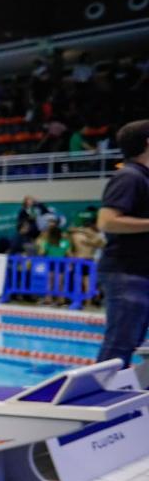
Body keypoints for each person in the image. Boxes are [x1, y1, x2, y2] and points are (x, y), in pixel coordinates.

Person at [96, 121, 149, 365]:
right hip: (126, 273)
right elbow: (107, 221)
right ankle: (98, 402)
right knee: (119, 348)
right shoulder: (129, 177)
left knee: (132, 344)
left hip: (140, 273)